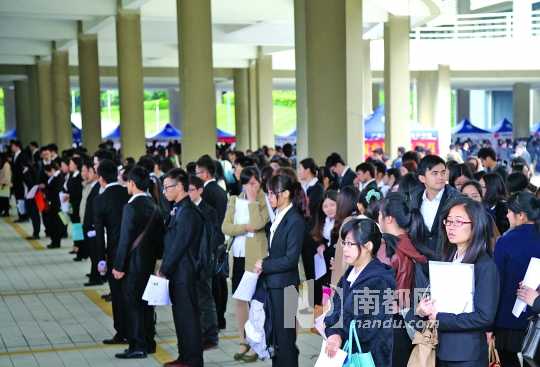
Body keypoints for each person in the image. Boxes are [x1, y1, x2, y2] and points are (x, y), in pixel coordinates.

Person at [415, 196, 500, 367]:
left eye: (459, 222)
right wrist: (423, 309)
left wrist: (440, 318)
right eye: (449, 221)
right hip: (441, 347)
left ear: (475, 225)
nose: (451, 227)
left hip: (467, 354)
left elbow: (485, 317)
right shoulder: (448, 258)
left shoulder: (484, 266)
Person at [324, 218, 396, 366]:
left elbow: (364, 328)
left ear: (368, 246)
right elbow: (334, 310)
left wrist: (337, 333)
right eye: (344, 243)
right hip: (347, 351)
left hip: (369, 358)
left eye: (350, 244)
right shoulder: (351, 272)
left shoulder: (378, 281)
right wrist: (334, 333)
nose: (344, 248)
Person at [112, 166, 164, 359]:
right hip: (149, 263)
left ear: (132, 183)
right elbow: (160, 239)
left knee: (133, 304)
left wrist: (118, 266)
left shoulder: (131, 207)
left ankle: (137, 345)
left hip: (133, 265)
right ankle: (149, 342)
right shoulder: (154, 205)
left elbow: (125, 240)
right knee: (147, 304)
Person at [253, 174, 306, 367]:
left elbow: (291, 260)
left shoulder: (294, 220)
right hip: (275, 285)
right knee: (275, 337)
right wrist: (264, 262)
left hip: (287, 287)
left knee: (286, 339)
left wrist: (265, 265)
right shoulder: (279, 216)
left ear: (285, 194)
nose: (269, 197)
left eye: (272, 193)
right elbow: (277, 253)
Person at [222, 166, 269, 362]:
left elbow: (259, 224)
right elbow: (225, 226)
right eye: (249, 183)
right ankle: (243, 340)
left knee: (255, 302)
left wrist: (251, 201)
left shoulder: (263, 200)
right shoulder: (233, 199)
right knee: (240, 300)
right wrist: (243, 228)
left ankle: (257, 343)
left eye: (255, 182)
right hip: (238, 256)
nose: (252, 186)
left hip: (256, 256)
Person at [377, 193, 429, 367]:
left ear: (389, 219)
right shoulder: (417, 244)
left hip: (388, 323)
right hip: (412, 321)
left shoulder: (386, 247)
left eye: (380, 215)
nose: (378, 219)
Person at [159, 168, 204, 367]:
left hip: (185, 272)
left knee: (188, 318)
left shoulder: (188, 212)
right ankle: (184, 356)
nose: (164, 191)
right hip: (178, 272)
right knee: (180, 316)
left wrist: (164, 269)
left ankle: (193, 360)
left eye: (168, 187)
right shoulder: (178, 208)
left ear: (179, 187)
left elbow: (179, 245)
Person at [494, 192, 540, 366]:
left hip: (508, 321)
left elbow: (496, 284)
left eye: (509, 211)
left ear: (521, 215)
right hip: (536, 320)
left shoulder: (506, 242)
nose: (506, 215)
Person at [93, 159, 130, 345]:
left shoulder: (100, 200)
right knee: (132, 292)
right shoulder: (129, 193)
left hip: (114, 253)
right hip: (133, 251)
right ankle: (137, 329)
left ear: (100, 179)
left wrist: (101, 260)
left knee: (117, 294)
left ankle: (121, 332)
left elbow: (100, 234)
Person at [196, 154, 229, 330]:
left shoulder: (207, 193)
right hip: (220, 241)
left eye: (197, 173)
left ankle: (215, 319)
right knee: (220, 280)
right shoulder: (220, 190)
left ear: (206, 174)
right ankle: (221, 317)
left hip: (210, 243)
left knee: (212, 283)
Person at [187, 175, 220, 351]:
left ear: (200, 190)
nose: (188, 193)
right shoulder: (186, 208)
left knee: (206, 299)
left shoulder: (209, 211)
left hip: (204, 262)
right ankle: (198, 333)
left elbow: (212, 238)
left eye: (191, 189)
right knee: (194, 299)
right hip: (189, 262)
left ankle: (210, 335)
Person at [415, 155, 459, 258]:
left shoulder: (456, 199)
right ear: (422, 178)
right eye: (435, 173)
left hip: (448, 259)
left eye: (443, 173)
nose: (440, 177)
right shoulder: (414, 199)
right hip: (420, 262)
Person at [298, 158, 324, 309]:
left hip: (314, 236)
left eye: (301, 169)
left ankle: (317, 307)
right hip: (303, 235)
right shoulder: (302, 187)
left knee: (316, 273)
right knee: (308, 272)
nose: (299, 172)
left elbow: (310, 211)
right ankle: (312, 307)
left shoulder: (317, 188)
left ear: (308, 170)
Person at [310, 190, 338, 306]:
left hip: (336, 263)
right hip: (325, 264)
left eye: (332, 205)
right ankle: (324, 314)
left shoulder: (343, 222)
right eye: (325, 206)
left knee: (333, 290)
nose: (329, 209)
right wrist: (322, 245)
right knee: (325, 288)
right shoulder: (325, 221)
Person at [80, 159, 103, 287]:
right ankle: (94, 274)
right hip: (88, 224)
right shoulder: (91, 186)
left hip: (93, 226)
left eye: (89, 171)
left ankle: (97, 277)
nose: (87, 174)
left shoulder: (97, 187)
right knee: (92, 252)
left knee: (95, 253)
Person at [43, 163, 65, 249]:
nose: (47, 175)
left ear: (52, 170)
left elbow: (56, 191)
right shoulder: (55, 177)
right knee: (53, 224)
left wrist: (47, 193)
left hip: (56, 205)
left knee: (56, 224)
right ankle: (54, 241)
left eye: (47, 173)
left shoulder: (59, 177)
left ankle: (56, 242)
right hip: (53, 204)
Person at [66, 157, 84, 260]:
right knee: (75, 227)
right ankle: (76, 246)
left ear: (76, 165)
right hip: (72, 205)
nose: (69, 165)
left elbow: (78, 193)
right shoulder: (73, 175)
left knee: (78, 228)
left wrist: (70, 196)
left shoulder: (79, 177)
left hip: (77, 205)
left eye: (71, 163)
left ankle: (79, 250)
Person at [10, 140, 28, 222]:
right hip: (16, 182)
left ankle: (24, 216)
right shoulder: (14, 156)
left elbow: (23, 170)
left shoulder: (22, 155)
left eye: (12, 146)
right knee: (18, 199)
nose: (11, 147)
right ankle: (21, 215)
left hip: (21, 182)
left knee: (21, 198)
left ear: (17, 146)